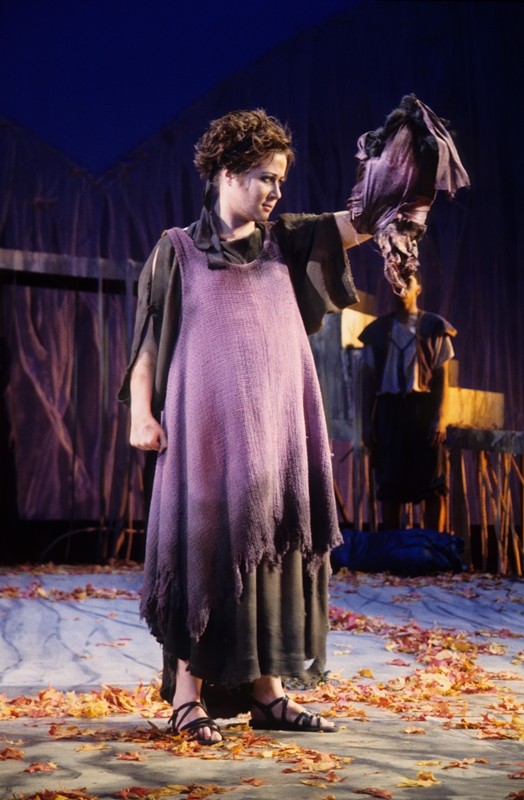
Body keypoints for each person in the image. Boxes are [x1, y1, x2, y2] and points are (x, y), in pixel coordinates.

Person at [119, 109, 370, 745]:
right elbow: (147, 343)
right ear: (228, 174)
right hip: (204, 439)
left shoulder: (288, 241)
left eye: (281, 179)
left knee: (274, 555)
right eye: (266, 177)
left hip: (277, 437)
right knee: (202, 557)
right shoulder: (178, 250)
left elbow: (357, 224)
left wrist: (405, 179)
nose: (276, 190)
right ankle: (187, 698)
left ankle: (269, 694)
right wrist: (141, 414)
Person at [359, 271, 456, 532]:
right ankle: (394, 546)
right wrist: (366, 424)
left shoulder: (434, 327)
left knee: (432, 482)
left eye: (407, 282)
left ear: (418, 289)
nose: (401, 287)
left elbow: (442, 379)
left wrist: (439, 417)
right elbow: (368, 382)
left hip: (423, 410)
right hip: (390, 411)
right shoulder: (377, 332)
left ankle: (433, 545)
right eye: (396, 282)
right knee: (390, 482)